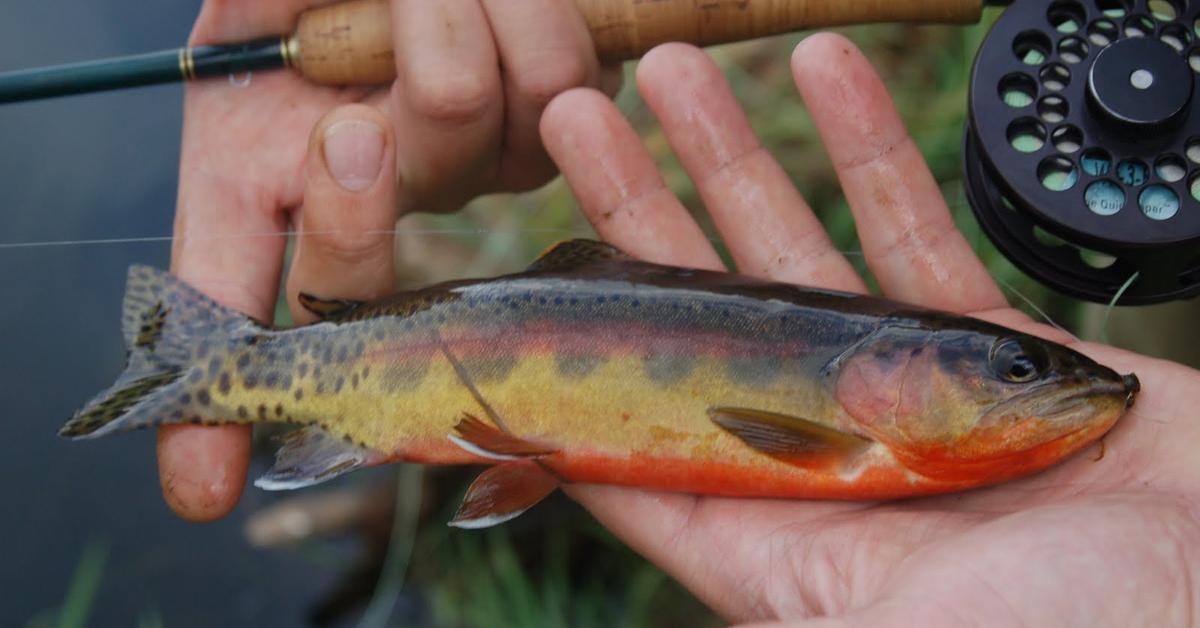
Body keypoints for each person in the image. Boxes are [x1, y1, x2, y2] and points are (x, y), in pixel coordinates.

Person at [164, 4, 1200, 625]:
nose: (1054, 384)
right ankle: (226, 372)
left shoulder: (878, 437)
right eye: (1018, 371)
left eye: (1022, 370)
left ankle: (231, 380)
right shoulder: (843, 438)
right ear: (898, 364)